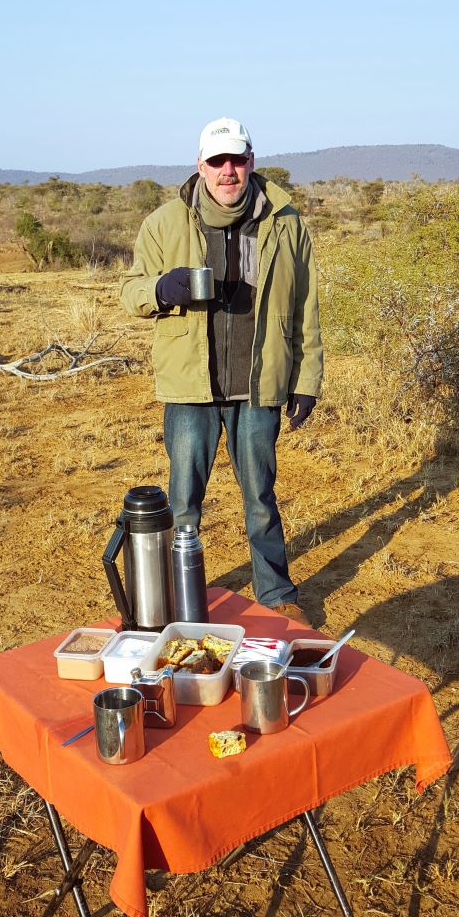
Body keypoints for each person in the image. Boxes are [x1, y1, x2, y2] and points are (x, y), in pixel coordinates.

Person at [121, 117, 322, 624]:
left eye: (237, 160)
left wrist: (305, 380)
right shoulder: (165, 222)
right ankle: (173, 599)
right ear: (201, 167)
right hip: (191, 387)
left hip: (259, 386)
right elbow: (131, 291)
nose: (227, 171)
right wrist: (163, 290)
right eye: (217, 162)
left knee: (260, 498)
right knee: (184, 502)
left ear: (251, 161)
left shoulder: (285, 222)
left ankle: (277, 597)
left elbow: (306, 308)